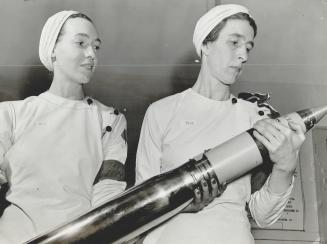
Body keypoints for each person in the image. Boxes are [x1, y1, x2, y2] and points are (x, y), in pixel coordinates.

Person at [135, 4, 305, 244]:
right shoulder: (161, 112)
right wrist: (184, 203)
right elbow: (141, 204)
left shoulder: (256, 118)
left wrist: (285, 167)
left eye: (248, 47)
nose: (243, 55)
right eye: (234, 42)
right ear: (206, 44)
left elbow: (263, 216)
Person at [0, 10, 127, 243]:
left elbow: (108, 194)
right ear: (52, 50)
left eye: (96, 47)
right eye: (81, 43)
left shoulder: (109, 119)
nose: (91, 55)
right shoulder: (10, 114)